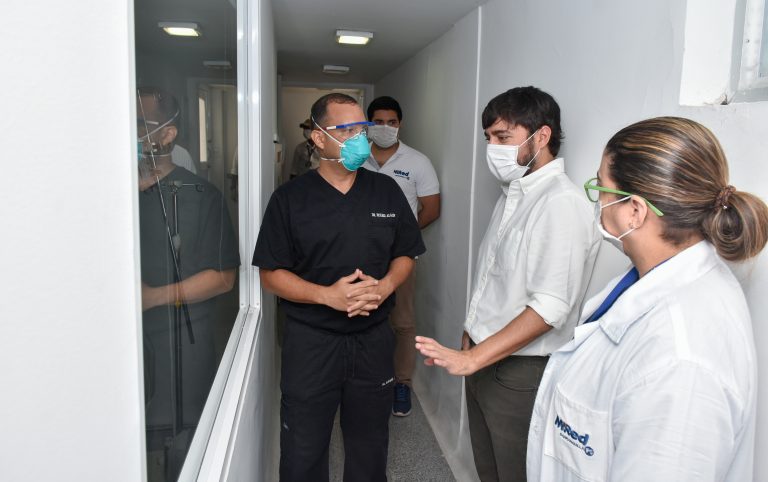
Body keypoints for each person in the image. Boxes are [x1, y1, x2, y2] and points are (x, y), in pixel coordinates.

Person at [526, 116, 768, 482]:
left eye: (601, 187)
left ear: (635, 211)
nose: (597, 200)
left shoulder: (682, 360)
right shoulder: (653, 276)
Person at [415, 86, 600, 481]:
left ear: (542, 136)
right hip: (484, 358)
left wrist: (474, 358)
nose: (492, 149)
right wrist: (471, 334)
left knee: (514, 472)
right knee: (490, 470)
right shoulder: (514, 195)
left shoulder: (560, 204)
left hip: (518, 371)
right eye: (488, 138)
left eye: (502, 137)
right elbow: (496, 280)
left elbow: (550, 307)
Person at [252, 93, 425, 482]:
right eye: (347, 130)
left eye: (362, 129)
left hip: (372, 339)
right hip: (312, 343)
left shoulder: (385, 191)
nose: (360, 138)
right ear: (318, 138)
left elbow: (406, 253)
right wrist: (326, 295)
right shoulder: (290, 199)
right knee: (303, 449)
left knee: (370, 445)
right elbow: (270, 274)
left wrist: (385, 287)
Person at [137, 87, 240, 480]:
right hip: (118, 344)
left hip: (180, 340)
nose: (132, 132)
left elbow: (223, 278)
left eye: (142, 124)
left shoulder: (199, 197)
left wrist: (151, 298)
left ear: (168, 134)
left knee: (180, 440)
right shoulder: (104, 194)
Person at [363, 95, 441, 417]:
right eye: (378, 122)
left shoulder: (417, 162)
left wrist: (401, 237)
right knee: (362, 318)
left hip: (401, 258)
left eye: (391, 122)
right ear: (368, 125)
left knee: (403, 322)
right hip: (360, 256)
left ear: (400, 124)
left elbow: (432, 208)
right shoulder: (355, 158)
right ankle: (367, 381)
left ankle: (401, 384)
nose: (385, 128)